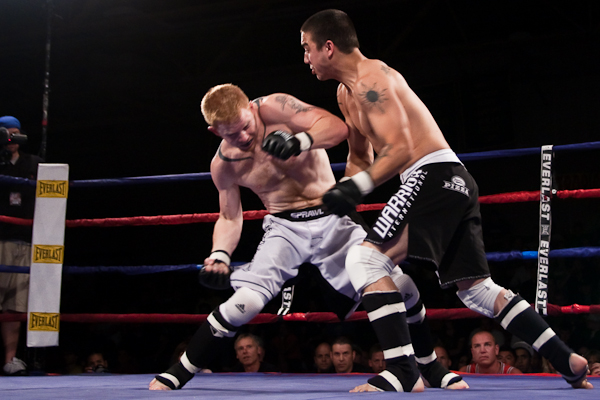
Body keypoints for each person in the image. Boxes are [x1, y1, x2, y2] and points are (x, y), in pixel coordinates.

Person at [263, 9, 592, 391]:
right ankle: (566, 360)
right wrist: (341, 197)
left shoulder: (373, 79)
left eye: (307, 48)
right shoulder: (346, 93)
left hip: (432, 175)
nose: (305, 58)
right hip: (452, 181)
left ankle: (403, 371)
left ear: (329, 47)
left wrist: (355, 188)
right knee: (477, 290)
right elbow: (361, 157)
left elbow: (401, 148)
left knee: (365, 260)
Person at [149, 84, 456, 390]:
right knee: (246, 302)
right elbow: (230, 216)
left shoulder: (275, 107)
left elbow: (337, 128)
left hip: (332, 216)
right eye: (231, 134)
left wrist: (300, 140)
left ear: (251, 108)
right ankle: (179, 372)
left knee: (402, 286)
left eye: (245, 126)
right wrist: (219, 255)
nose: (242, 137)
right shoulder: (223, 164)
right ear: (215, 131)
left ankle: (429, 366)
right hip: (284, 228)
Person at [0, 116, 42, 376]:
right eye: (6, 134)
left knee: (15, 304)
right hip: (0, 238)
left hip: (25, 239)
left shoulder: (33, 163)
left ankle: (10, 359)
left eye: (15, 133)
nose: (11, 139)